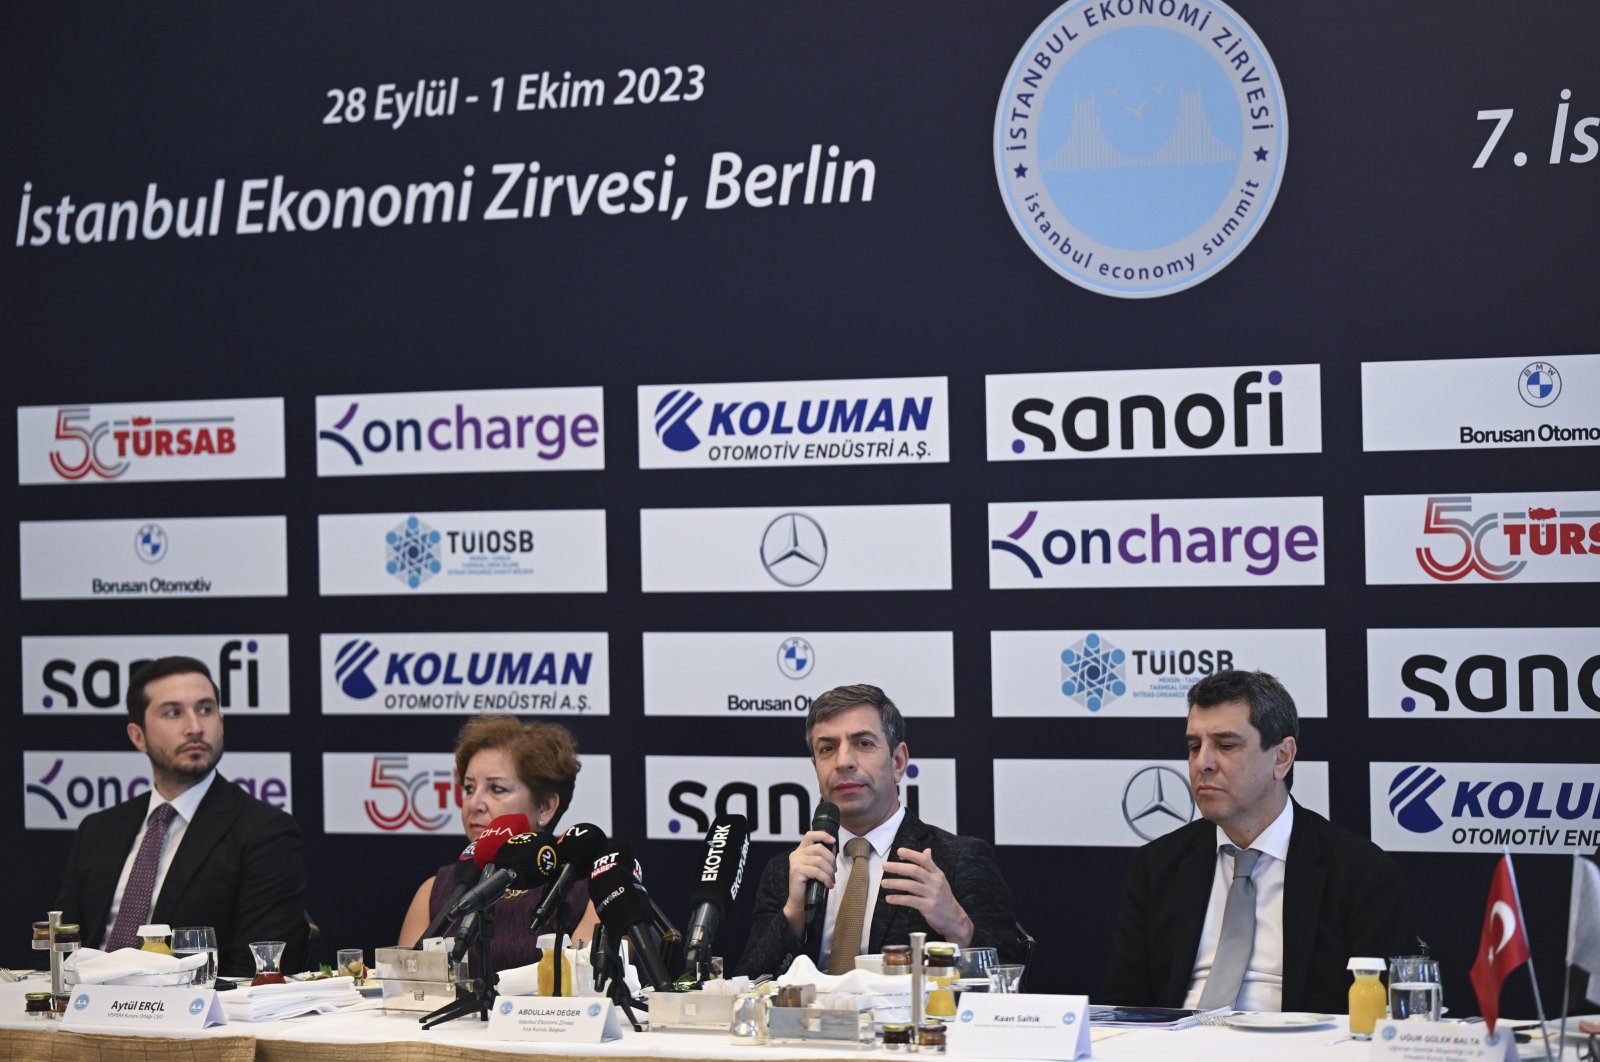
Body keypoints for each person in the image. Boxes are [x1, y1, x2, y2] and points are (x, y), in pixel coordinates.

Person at [1102, 669, 1416, 1014]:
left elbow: (1385, 1017)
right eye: (1194, 746)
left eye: (1226, 745)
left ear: (1282, 757)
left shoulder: (1361, 874)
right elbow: (1124, 1009)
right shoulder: (1158, 864)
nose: (1202, 763)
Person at [735, 684, 1022, 977]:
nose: (843, 761)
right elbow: (747, 987)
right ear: (816, 767)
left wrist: (958, 926)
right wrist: (793, 914)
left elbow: (1009, 987)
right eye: (827, 748)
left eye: (863, 743)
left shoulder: (957, 860)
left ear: (898, 762)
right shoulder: (787, 871)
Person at [53, 656, 308, 977]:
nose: (195, 727)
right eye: (173, 713)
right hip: (84, 1007)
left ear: (222, 721)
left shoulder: (264, 832)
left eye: (205, 709)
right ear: (138, 736)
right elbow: (58, 948)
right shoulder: (99, 830)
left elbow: (257, 972)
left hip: (191, 1016)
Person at [398, 715, 600, 970]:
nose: (474, 804)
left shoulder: (590, 891)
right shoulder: (435, 890)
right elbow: (407, 991)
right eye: (469, 788)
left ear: (545, 806)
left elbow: (582, 990)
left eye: (497, 789)